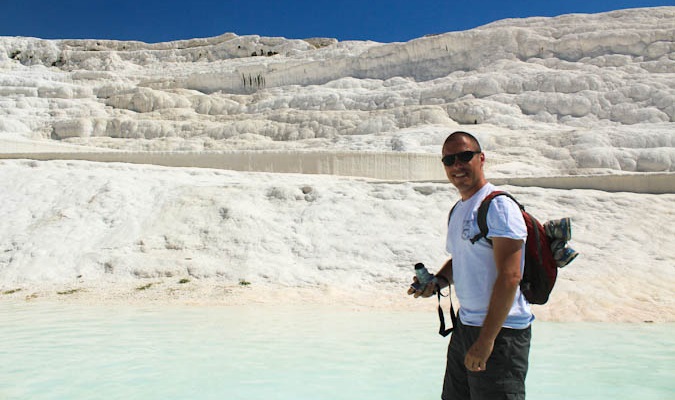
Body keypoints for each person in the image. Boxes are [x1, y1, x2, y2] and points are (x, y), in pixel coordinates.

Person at [409, 131, 533, 399]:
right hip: (466, 326)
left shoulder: (498, 206)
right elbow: (462, 258)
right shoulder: (458, 209)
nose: (457, 166)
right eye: (449, 160)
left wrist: (486, 341)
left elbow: (511, 276)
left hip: (501, 332)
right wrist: (437, 282)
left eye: (465, 156)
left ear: (481, 159)